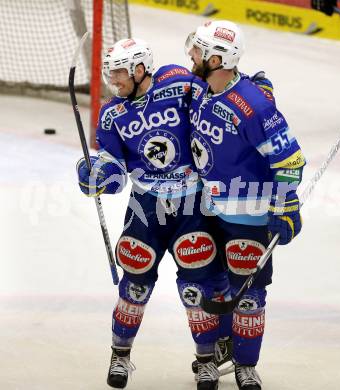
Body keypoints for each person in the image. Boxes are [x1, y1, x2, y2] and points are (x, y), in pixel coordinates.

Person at [76, 37, 233, 390]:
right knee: (135, 282)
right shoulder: (113, 114)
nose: (112, 81)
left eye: (118, 73)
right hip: (146, 206)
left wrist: (253, 88)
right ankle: (120, 354)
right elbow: (115, 170)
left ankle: (206, 360)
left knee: (196, 286)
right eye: (110, 73)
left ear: (140, 69)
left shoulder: (178, 80)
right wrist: (97, 175)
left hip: (193, 203)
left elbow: (217, 92)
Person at [185, 20, 306, 390]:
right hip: (208, 208)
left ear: (217, 58)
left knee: (249, 294)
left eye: (197, 50)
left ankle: (246, 364)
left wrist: (286, 207)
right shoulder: (201, 91)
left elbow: (290, 160)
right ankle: (219, 348)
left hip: (248, 217)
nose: (190, 55)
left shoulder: (253, 105)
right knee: (209, 282)